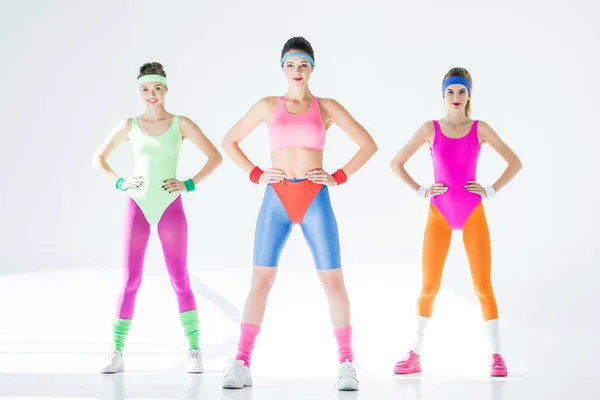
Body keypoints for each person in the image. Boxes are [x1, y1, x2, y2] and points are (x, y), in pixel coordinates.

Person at [220, 37, 377, 391]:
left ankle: (347, 363)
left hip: (314, 197)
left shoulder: (327, 107)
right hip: (276, 197)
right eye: (290, 65)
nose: (297, 71)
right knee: (261, 280)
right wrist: (256, 173)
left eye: (303, 64)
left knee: (332, 281)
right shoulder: (266, 106)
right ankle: (241, 361)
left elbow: (368, 145)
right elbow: (229, 140)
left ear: (312, 68)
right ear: (282, 68)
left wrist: (337, 176)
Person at [91, 62, 223, 374]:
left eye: (157, 88)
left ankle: (194, 350)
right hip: (137, 205)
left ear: (166, 90)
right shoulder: (129, 125)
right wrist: (120, 181)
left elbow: (215, 157)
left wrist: (188, 184)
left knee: (179, 277)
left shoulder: (182, 124)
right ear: (140, 91)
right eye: (146, 89)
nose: (152, 94)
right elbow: (98, 158)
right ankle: (116, 350)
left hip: (170, 207)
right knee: (130, 280)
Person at [390, 67, 522, 377]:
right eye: (450, 91)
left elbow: (515, 162)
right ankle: (415, 353)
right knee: (429, 286)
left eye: (461, 91)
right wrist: (422, 190)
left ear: (469, 95)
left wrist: (490, 190)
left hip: (472, 211)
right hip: (439, 214)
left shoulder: (480, 129)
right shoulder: (429, 129)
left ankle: (497, 356)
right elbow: (395, 164)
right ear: (442, 95)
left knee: (482, 285)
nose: (456, 97)